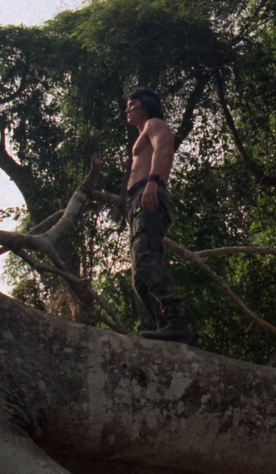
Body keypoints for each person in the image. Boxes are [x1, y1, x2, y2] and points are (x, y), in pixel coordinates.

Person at [123, 88, 191, 343]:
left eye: (132, 105)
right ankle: (165, 327)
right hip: (137, 202)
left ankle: (176, 321)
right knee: (139, 279)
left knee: (145, 259)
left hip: (149, 195)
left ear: (145, 106)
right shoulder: (141, 134)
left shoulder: (154, 124)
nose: (127, 110)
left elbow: (163, 148)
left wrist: (154, 181)